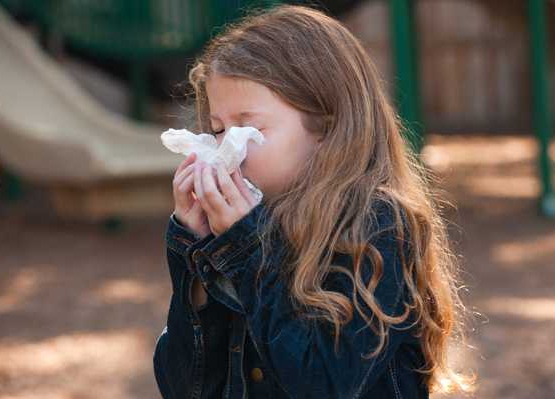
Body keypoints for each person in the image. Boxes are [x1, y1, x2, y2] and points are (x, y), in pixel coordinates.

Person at [154, 4, 477, 399]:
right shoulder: (239, 232)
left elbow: (322, 384)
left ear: (325, 124)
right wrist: (191, 251)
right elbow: (184, 387)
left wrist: (244, 248)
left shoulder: (377, 223)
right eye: (218, 129)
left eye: (249, 128)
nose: (226, 148)